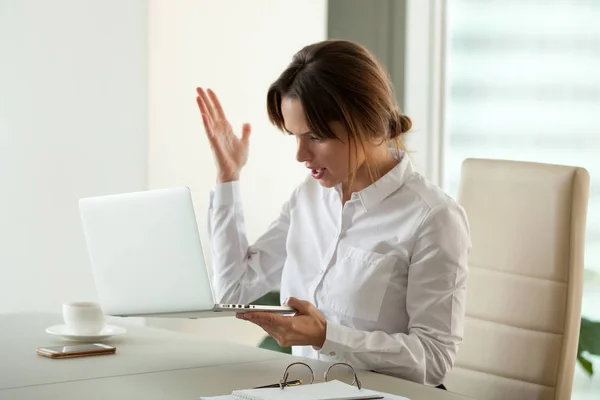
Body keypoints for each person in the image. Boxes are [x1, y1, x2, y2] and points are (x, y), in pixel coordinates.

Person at [196, 39, 470, 387]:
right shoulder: (308, 198)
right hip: (306, 391)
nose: (300, 155)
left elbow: (434, 361)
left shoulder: (434, 218)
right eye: (294, 136)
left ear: (366, 123)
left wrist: (326, 336)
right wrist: (227, 178)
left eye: (315, 137)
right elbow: (234, 292)